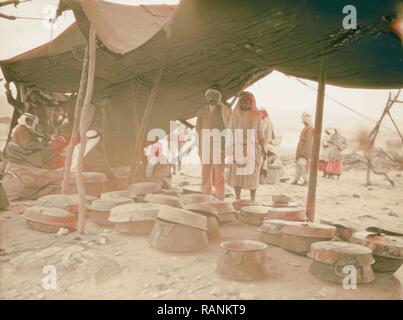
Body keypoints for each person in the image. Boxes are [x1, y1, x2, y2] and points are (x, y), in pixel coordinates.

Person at [227, 92, 269, 201]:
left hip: (252, 149)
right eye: (242, 100)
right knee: (237, 175)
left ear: (251, 102)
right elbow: (230, 132)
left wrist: (264, 147)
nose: (245, 102)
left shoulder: (256, 115)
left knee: (252, 175)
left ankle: (252, 199)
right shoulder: (235, 114)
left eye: (247, 100)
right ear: (240, 102)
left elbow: (261, 133)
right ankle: (237, 197)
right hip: (237, 148)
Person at [196, 88, 230, 200]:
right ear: (206, 98)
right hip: (205, 144)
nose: (212, 99)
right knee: (205, 171)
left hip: (219, 144)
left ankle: (220, 196)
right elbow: (198, 128)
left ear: (218, 97)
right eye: (209, 97)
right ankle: (206, 195)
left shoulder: (224, 110)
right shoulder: (201, 110)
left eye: (214, 97)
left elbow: (228, 128)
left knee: (219, 171)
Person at [292, 112, 314, 186]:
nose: (302, 121)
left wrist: (304, 153)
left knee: (303, 166)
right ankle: (296, 180)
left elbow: (308, 142)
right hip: (301, 149)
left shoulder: (310, 129)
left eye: (303, 120)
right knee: (298, 165)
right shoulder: (306, 128)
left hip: (304, 151)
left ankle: (306, 181)